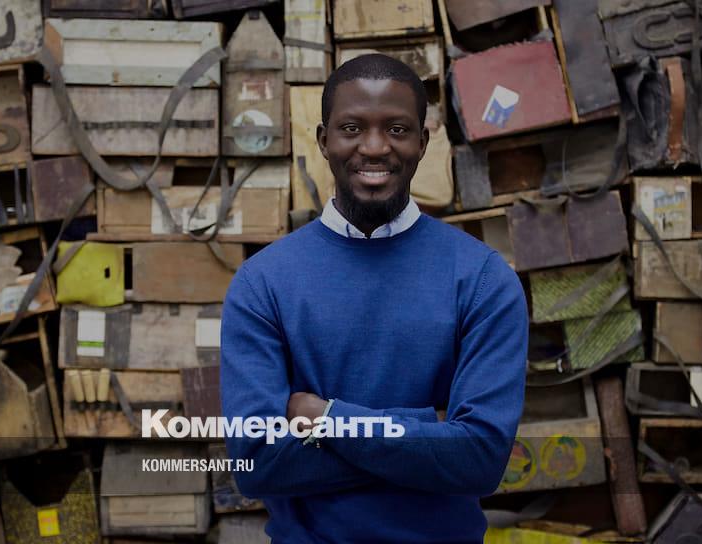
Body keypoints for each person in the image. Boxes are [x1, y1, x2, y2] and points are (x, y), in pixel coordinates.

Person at [221, 53, 528, 543]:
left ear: (422, 142)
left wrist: (326, 420)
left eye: (397, 129)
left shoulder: (484, 281)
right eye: (351, 128)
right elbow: (258, 463)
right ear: (323, 140)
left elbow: (480, 459)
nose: (374, 147)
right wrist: (429, 431)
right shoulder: (263, 284)